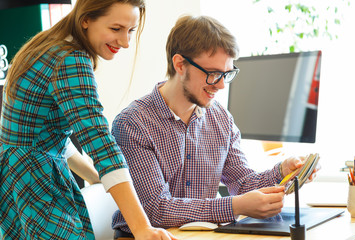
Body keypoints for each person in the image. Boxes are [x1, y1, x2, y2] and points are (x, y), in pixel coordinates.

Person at [111, 15, 318, 233]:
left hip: (204, 234)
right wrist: (234, 205)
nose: (221, 86)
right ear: (180, 64)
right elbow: (156, 209)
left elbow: (242, 184)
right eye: (213, 74)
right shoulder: (133, 124)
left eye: (226, 74)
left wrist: (282, 171)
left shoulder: (221, 118)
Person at [0, 0, 176, 239]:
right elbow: (98, 139)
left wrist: (95, 176)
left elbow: (47, 131)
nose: (125, 42)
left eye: (131, 30)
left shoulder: (48, 46)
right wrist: (141, 227)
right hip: (34, 180)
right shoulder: (69, 59)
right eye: (116, 29)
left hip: (16, 176)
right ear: (86, 20)